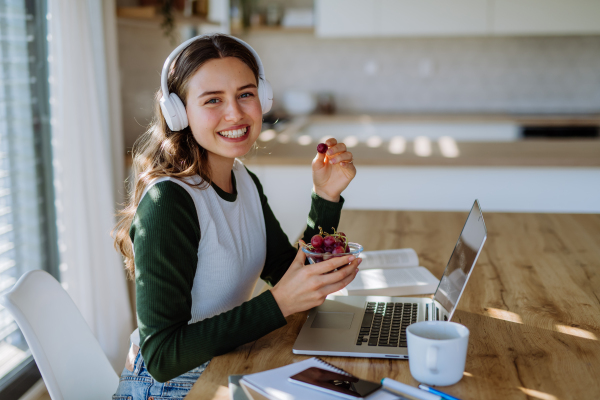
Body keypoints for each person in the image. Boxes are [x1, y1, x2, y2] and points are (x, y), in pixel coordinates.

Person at [112, 34, 359, 399]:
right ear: (178, 113)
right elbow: (162, 355)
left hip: (226, 362)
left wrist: (325, 195)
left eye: (245, 94)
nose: (236, 113)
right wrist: (280, 303)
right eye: (213, 100)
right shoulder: (169, 202)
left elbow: (285, 268)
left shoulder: (242, 178)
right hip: (171, 387)